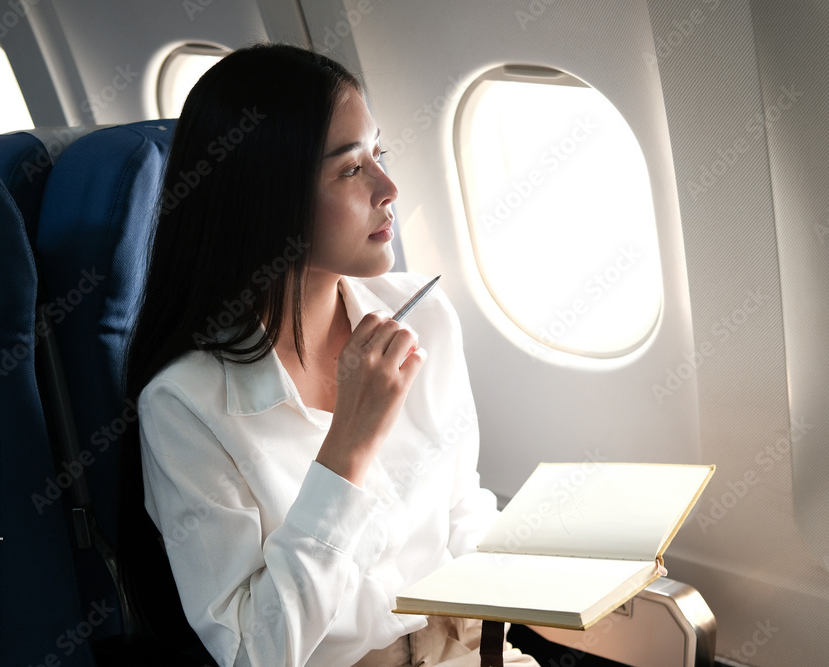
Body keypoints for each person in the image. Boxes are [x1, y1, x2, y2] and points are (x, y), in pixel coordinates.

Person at [119, 44, 538, 667]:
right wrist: (348, 447)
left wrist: (548, 581)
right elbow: (254, 653)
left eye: (379, 155)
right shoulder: (184, 405)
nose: (388, 188)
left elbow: (460, 509)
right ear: (269, 198)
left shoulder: (423, 317)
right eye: (350, 170)